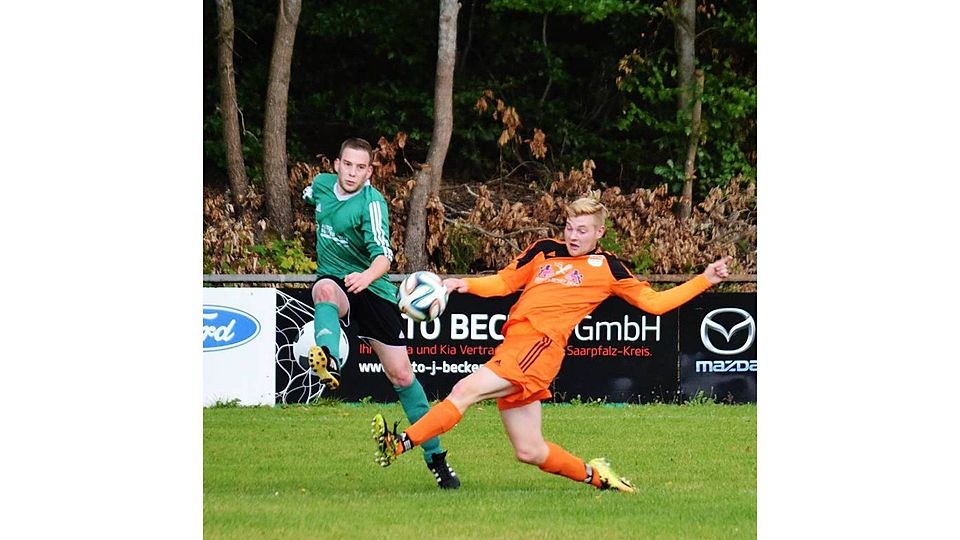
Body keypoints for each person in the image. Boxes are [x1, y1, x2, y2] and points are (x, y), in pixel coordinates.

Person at [371, 193, 733, 492]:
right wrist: (462, 283)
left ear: (599, 233)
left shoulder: (608, 268)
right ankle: (599, 477)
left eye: (583, 230)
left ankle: (400, 443)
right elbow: (504, 282)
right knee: (530, 450)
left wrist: (704, 279)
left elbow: (655, 304)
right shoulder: (544, 249)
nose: (574, 236)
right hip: (515, 344)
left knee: (464, 390)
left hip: (540, 347)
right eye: (569, 227)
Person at [302, 137, 460, 489]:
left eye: (361, 167)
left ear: (369, 171)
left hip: (372, 289)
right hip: (338, 282)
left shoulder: (372, 204)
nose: (352, 172)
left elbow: (384, 257)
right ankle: (326, 357)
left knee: (403, 377)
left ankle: (436, 459)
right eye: (347, 164)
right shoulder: (321, 186)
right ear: (336, 164)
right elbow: (310, 196)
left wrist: (366, 276)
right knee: (324, 290)